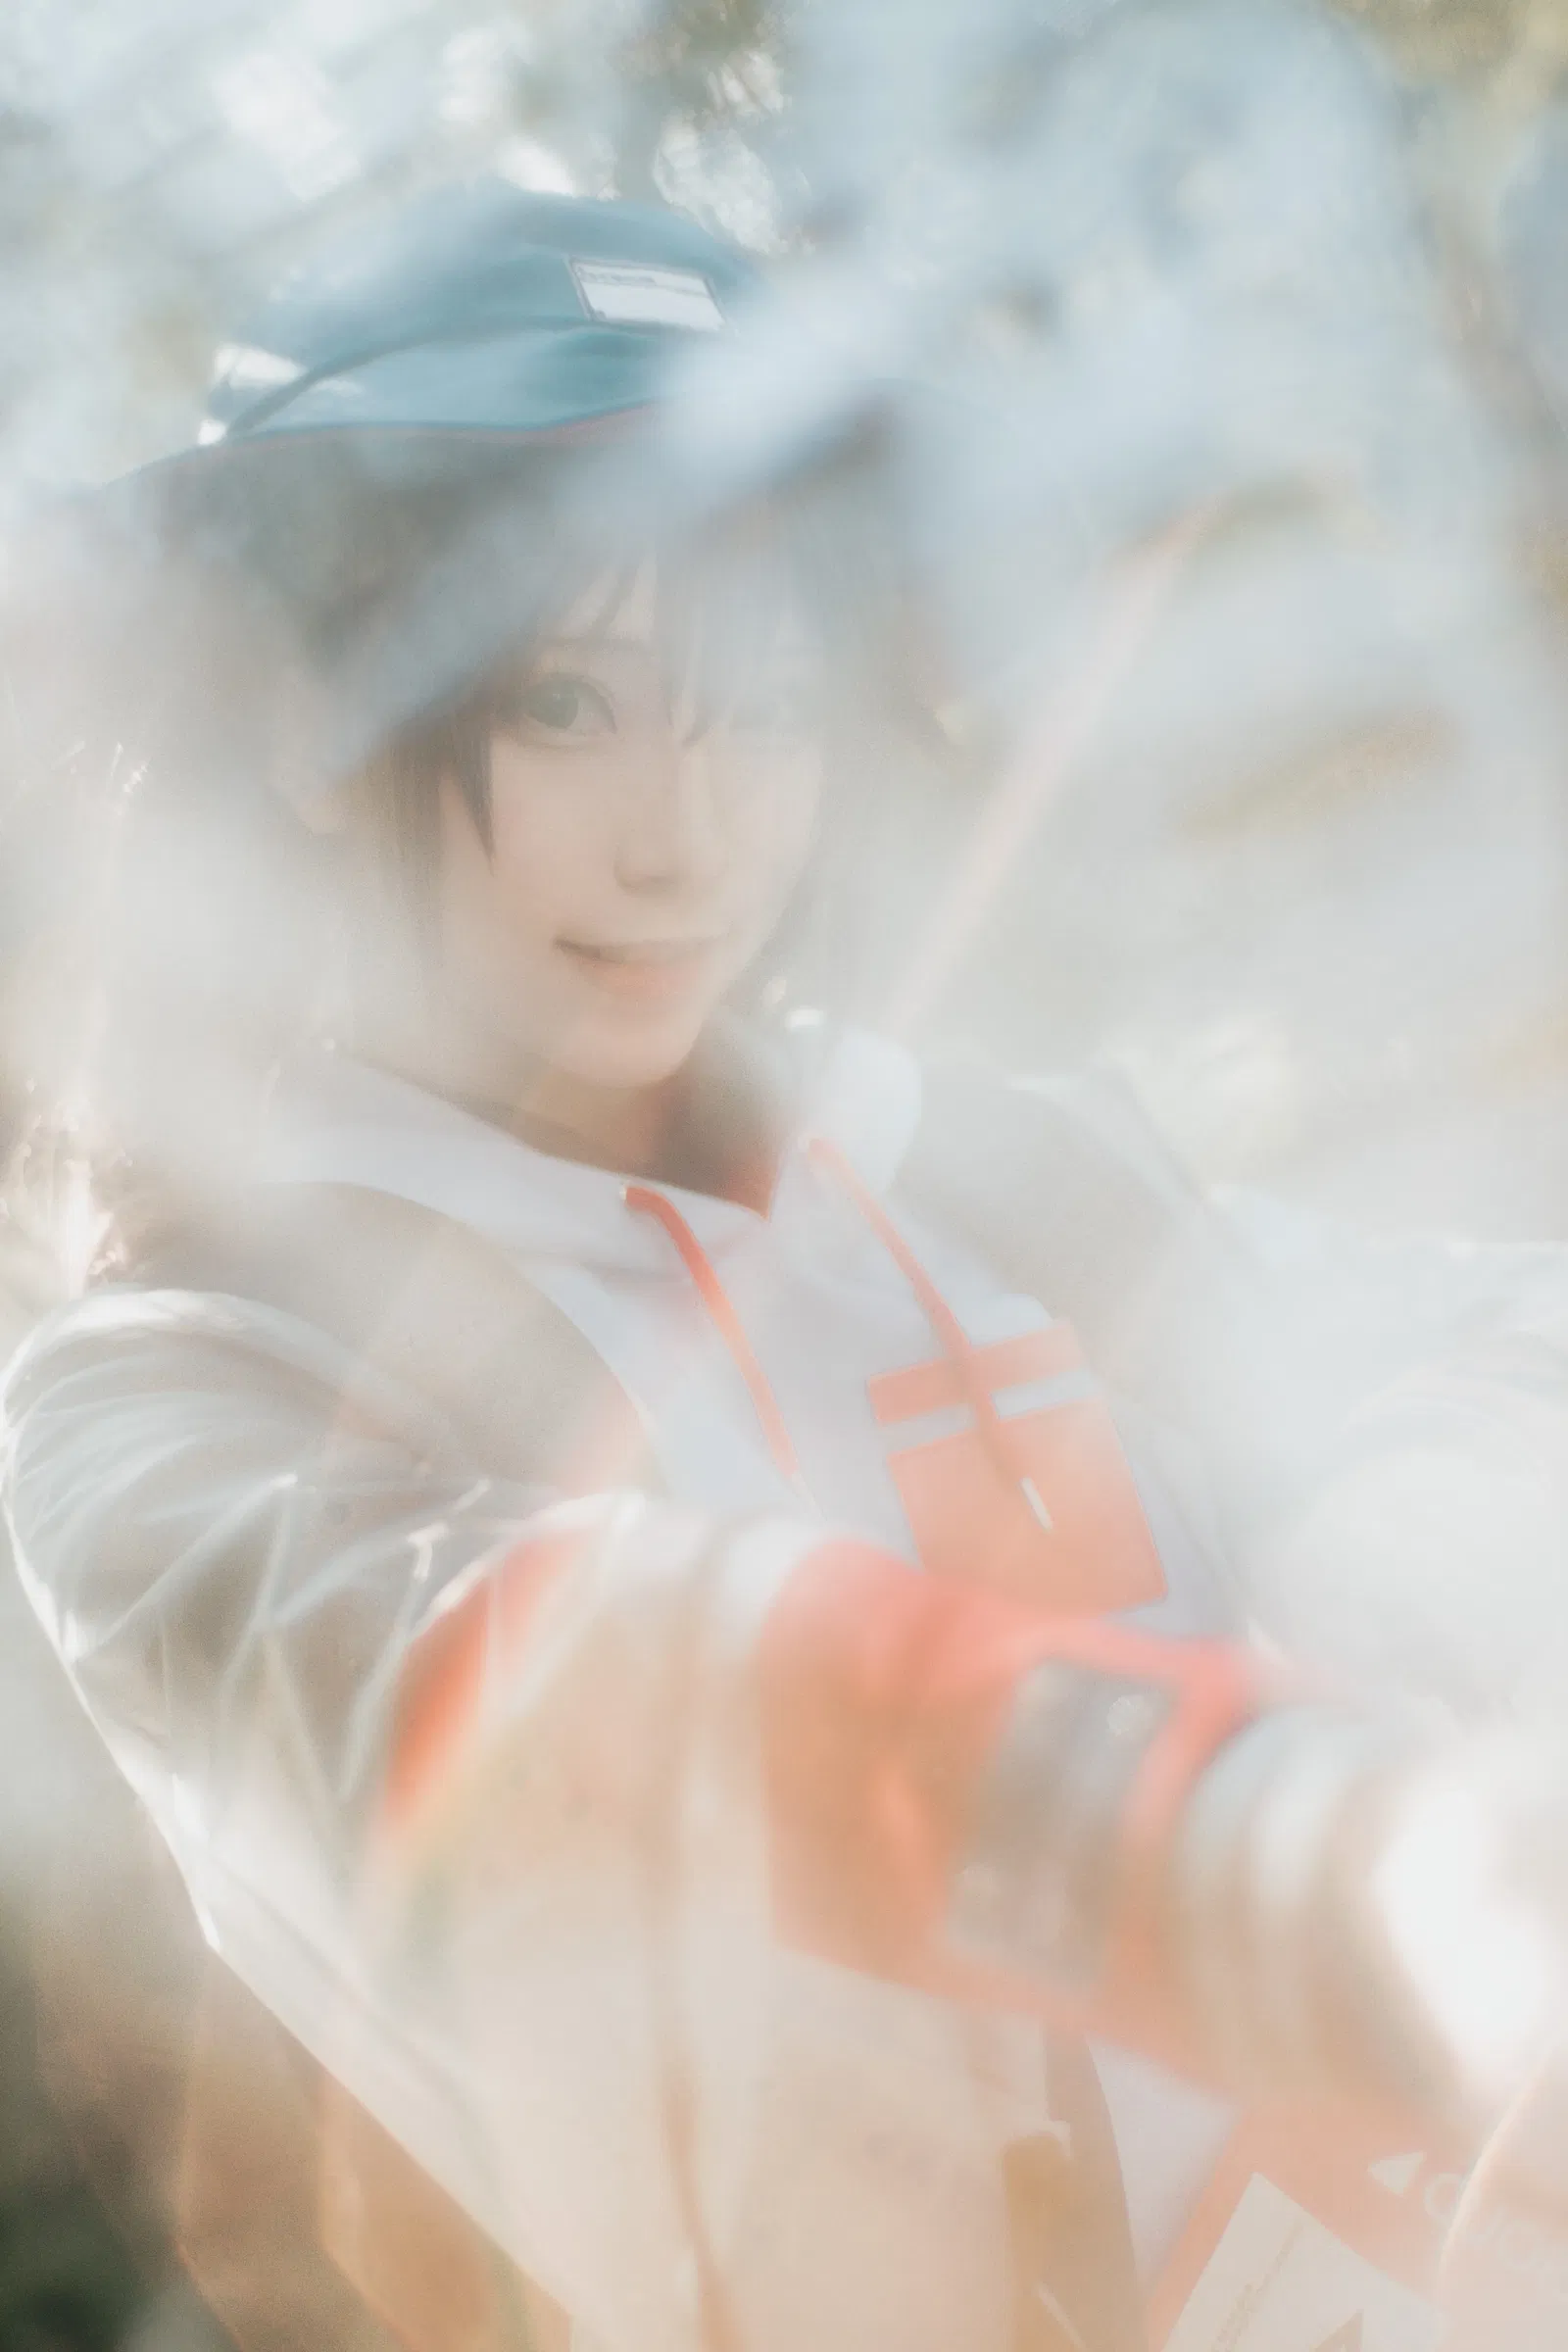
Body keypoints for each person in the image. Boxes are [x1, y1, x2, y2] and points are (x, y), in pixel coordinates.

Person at [7, 179, 1568, 2352]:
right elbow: (568, 1707)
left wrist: (1377, 1564)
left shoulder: (995, 1164)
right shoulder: (170, 1391)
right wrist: (1271, 1847)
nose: (687, 832)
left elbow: (1503, 1324)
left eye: (758, 703)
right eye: (569, 707)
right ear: (305, 715)